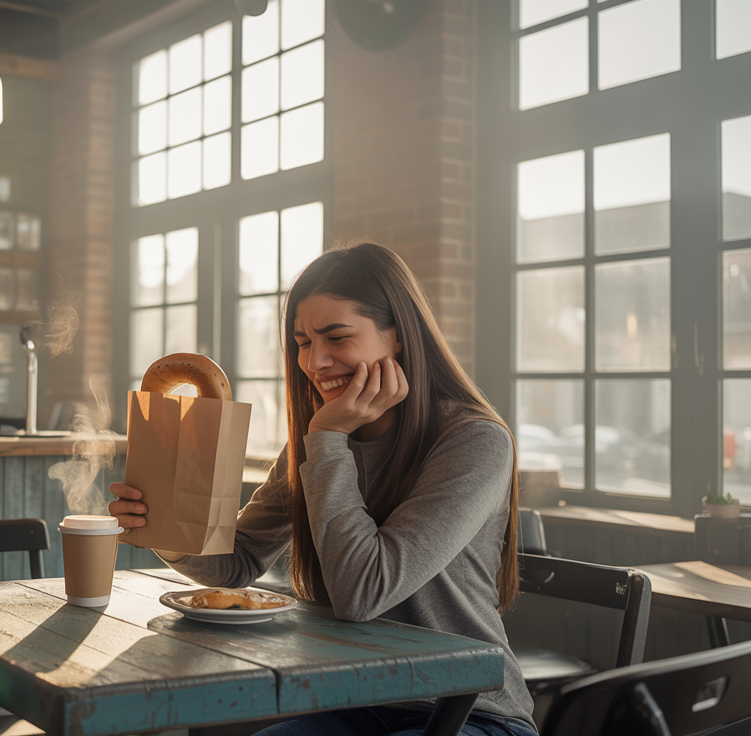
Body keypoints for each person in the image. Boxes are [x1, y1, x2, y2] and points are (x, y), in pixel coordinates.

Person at [109, 241, 537, 736]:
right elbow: (237, 562)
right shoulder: (319, 438)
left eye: (336, 337)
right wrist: (164, 527)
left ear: (397, 336)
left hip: (468, 712)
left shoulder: (474, 440)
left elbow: (364, 591)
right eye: (302, 342)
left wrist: (329, 439)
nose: (315, 361)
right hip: (354, 698)